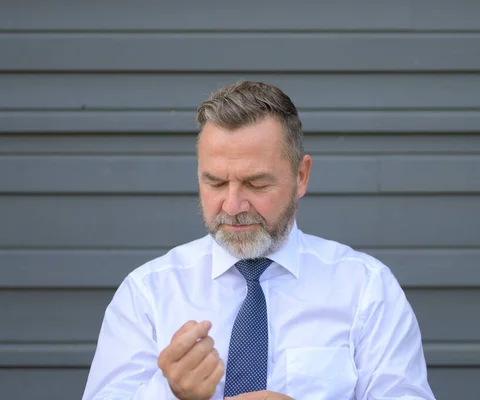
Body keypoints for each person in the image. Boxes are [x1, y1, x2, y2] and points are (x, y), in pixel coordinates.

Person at [82, 81, 435, 400]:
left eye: (257, 183)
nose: (233, 206)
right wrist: (170, 392)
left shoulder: (366, 290)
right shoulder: (147, 294)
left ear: (301, 176)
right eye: (216, 183)